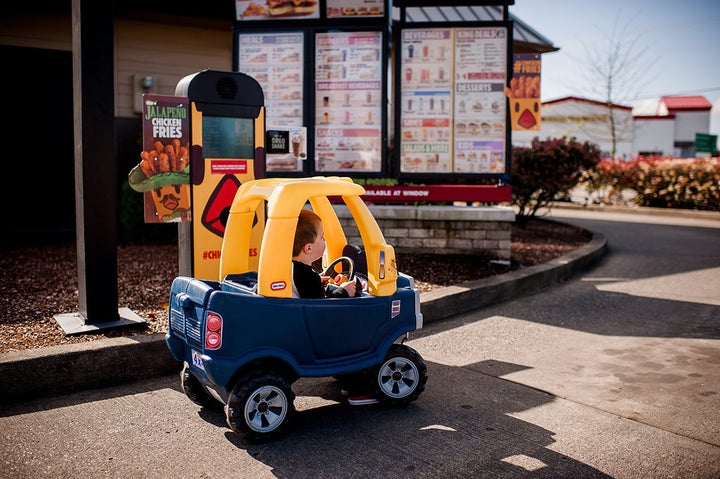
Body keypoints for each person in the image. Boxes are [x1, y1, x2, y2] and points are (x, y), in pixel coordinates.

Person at [292, 209, 356, 299]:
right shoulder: (308, 277)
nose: (325, 240)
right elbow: (322, 306)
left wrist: (318, 281)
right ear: (308, 248)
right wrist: (344, 291)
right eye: (322, 237)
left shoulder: (292, 269)